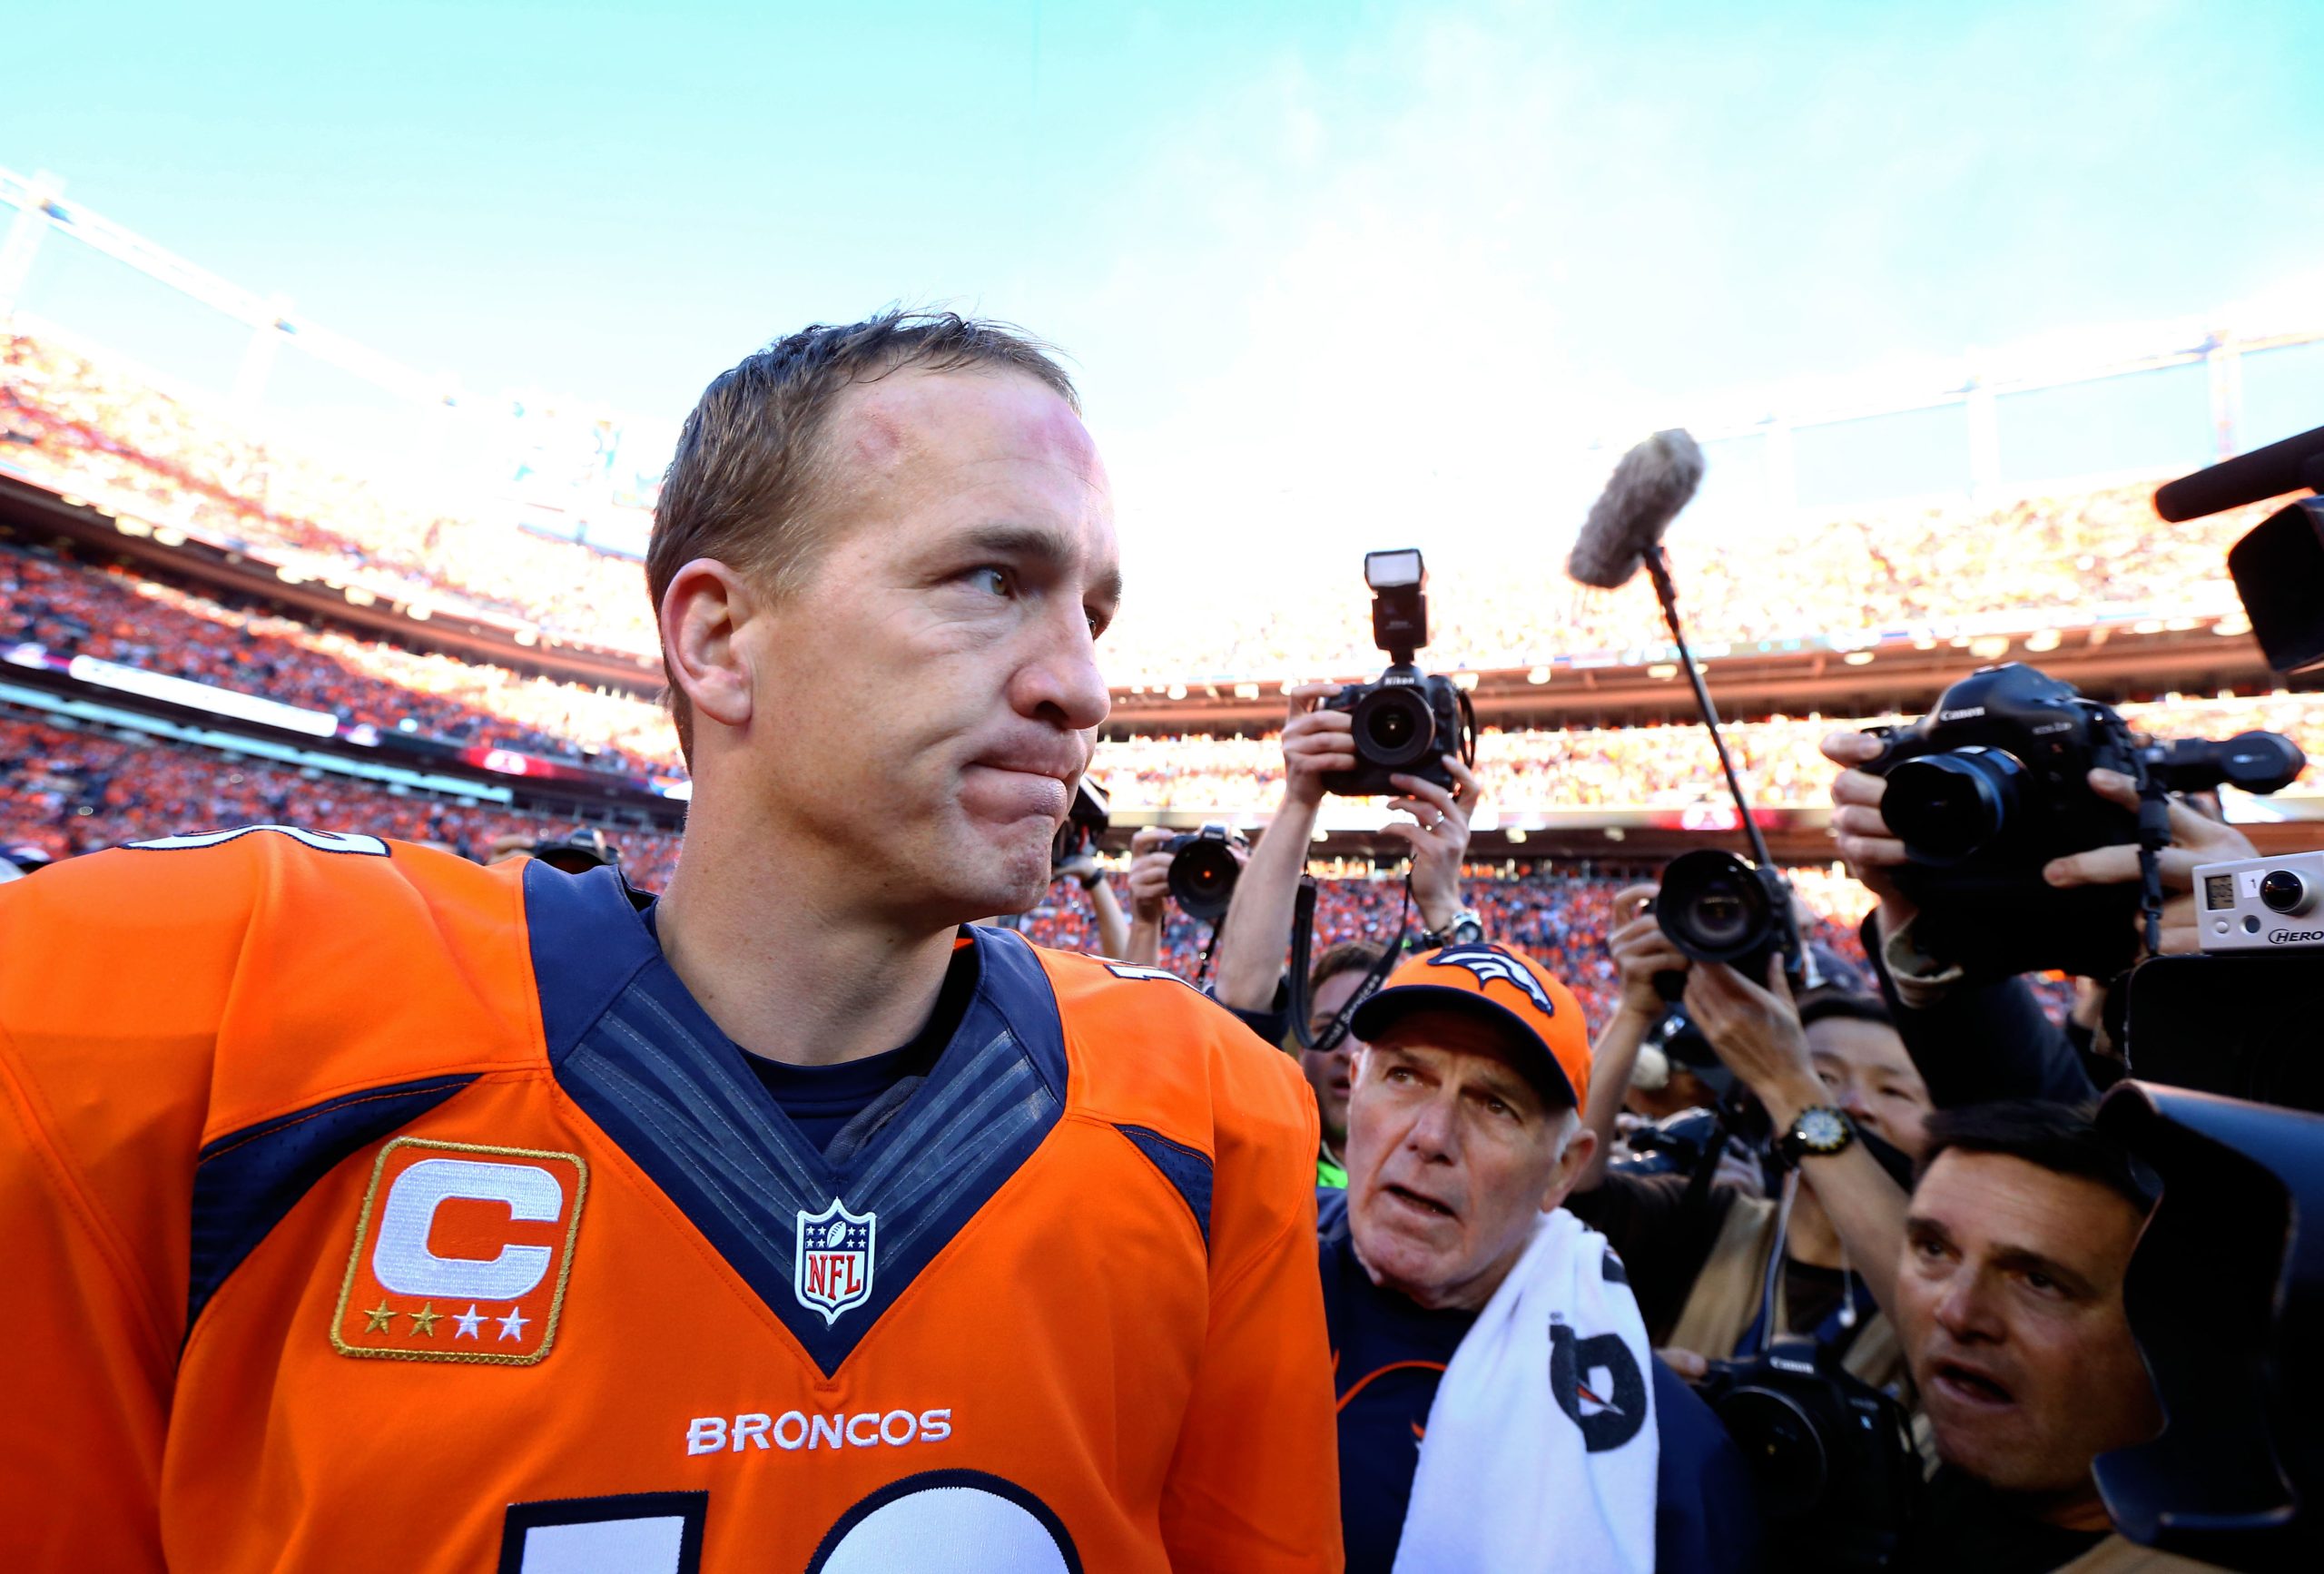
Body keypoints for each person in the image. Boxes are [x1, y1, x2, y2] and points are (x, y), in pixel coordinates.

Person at [0, 312, 1341, 1572]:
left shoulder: (1207, 1116)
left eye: (1092, 614)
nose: (1083, 688)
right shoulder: (222, 1006)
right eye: (994, 578)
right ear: (716, 636)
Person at [1320, 941, 1761, 1573]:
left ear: (1562, 1171)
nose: (1431, 1136)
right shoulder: (1238, 1262)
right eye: (1406, 1076)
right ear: (1354, 1092)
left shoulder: (1660, 1455)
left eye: (1493, 1103)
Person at [1574, 887, 1919, 1375]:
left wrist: (1793, 1083)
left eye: (1894, 1091)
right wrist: (1633, 1011)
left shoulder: (1962, 1276)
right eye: (1825, 1079)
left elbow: (1938, 1319)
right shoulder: (1709, 1220)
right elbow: (1562, 1189)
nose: (1853, 1106)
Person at [1896, 1102, 2229, 1572]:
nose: (1957, 1312)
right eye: (1934, 1250)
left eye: (2039, 1281)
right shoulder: (1909, 1457)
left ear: (2177, 1341)